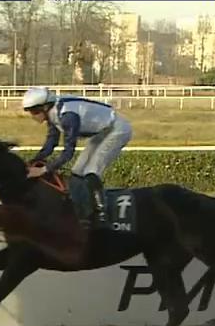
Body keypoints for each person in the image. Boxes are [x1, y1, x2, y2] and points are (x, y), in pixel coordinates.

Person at [22, 86, 133, 226]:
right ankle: (82, 212)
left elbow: (68, 153)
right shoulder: (53, 113)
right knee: (77, 171)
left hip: (118, 129)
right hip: (103, 131)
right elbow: (51, 143)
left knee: (91, 171)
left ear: (45, 107)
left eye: (34, 111)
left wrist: (44, 170)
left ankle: (102, 214)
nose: (32, 116)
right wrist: (33, 162)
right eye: (30, 112)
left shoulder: (68, 116)